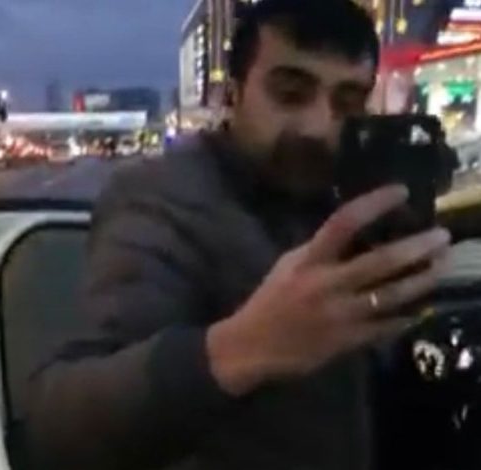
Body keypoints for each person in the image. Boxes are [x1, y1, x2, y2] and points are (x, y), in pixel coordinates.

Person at [26, 1, 450, 469]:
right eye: (290, 94)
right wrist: (243, 346)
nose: (319, 127)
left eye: (346, 104)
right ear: (232, 94)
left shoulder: (341, 197)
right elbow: (58, 426)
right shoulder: (163, 199)